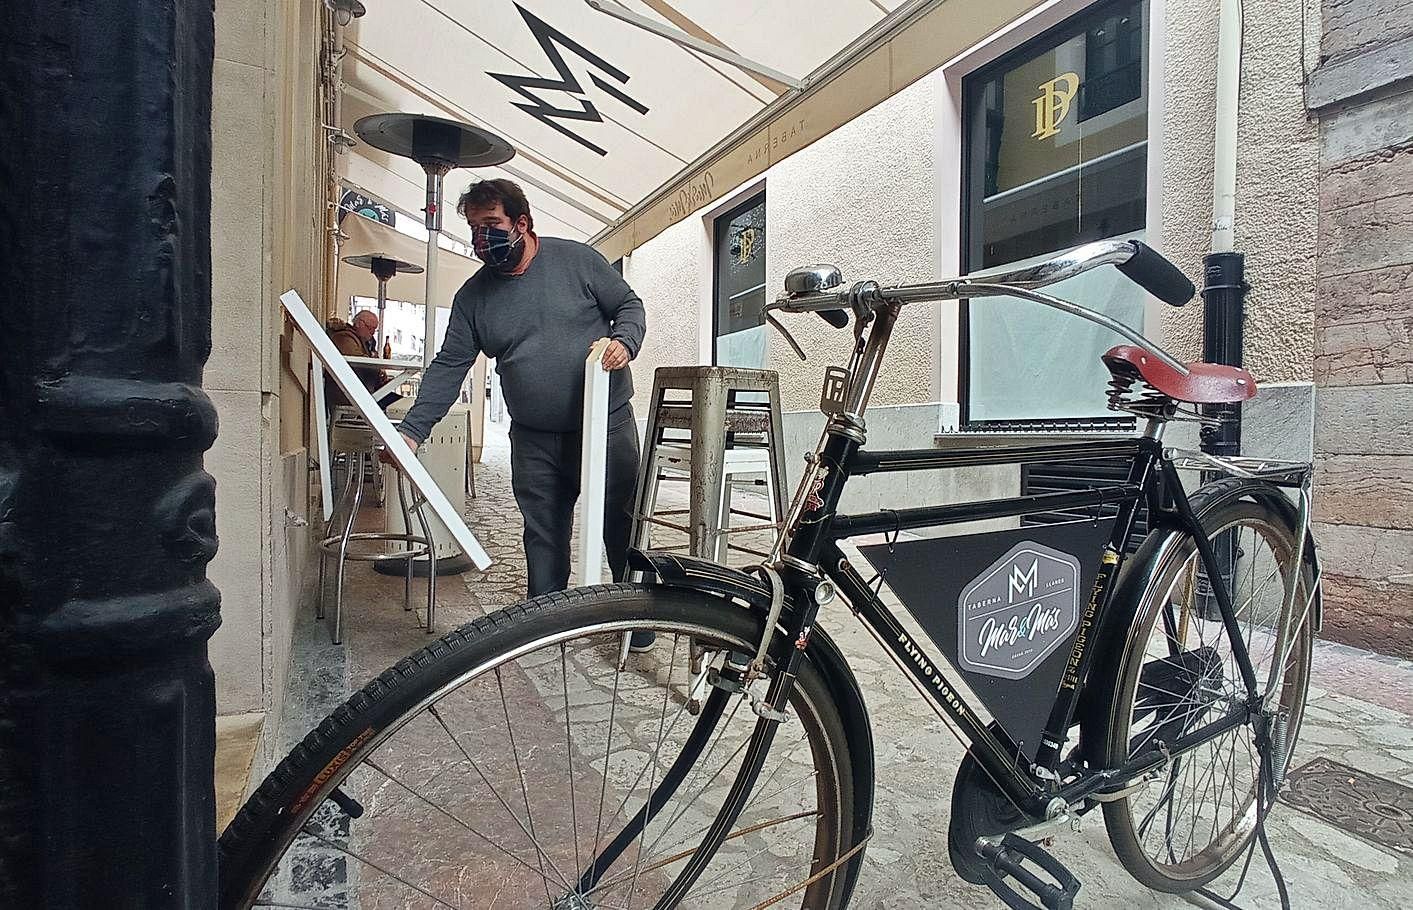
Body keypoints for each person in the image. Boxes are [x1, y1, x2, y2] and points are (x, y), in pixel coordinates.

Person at [397, 179, 649, 646]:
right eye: (474, 228)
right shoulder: (474, 298)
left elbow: (629, 305)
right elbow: (451, 364)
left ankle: (634, 618)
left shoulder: (577, 261)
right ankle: (549, 624)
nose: (481, 238)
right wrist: (412, 432)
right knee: (543, 529)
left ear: (522, 223)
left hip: (606, 426)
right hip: (534, 437)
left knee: (622, 521)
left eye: (491, 224)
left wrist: (624, 342)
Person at [326, 309, 399, 409]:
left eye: (375, 329)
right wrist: (377, 369)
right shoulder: (343, 337)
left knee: (395, 402)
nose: (373, 332)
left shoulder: (364, 342)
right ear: (360, 324)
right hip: (348, 393)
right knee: (394, 405)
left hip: (358, 391)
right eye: (370, 328)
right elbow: (357, 360)